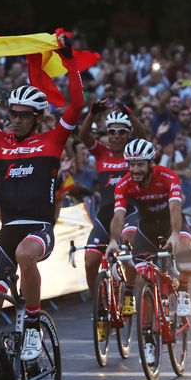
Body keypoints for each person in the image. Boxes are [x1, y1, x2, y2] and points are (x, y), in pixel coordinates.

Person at [0, 32, 82, 361]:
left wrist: (69, 60)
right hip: (8, 231)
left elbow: (78, 105)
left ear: (38, 117)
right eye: (13, 113)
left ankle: (34, 325)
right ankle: (1, 367)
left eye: (23, 115)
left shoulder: (52, 140)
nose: (16, 119)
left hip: (39, 230)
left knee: (25, 254)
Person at [106, 139, 191, 364]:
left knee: (184, 250)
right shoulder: (124, 183)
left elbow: (175, 207)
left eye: (140, 165)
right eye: (131, 164)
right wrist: (114, 241)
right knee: (146, 277)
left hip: (171, 223)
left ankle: (183, 289)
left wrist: (174, 234)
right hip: (147, 227)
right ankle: (147, 338)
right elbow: (118, 216)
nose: (135, 169)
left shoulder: (167, 176)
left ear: (151, 163)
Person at [77, 103, 146, 315]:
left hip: (130, 212)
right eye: (112, 132)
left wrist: (130, 114)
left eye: (121, 132)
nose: (116, 136)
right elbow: (83, 135)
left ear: (128, 135)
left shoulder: (133, 155)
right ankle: (97, 299)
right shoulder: (101, 152)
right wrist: (92, 113)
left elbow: (143, 137)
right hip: (106, 214)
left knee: (128, 243)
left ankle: (128, 291)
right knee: (90, 260)